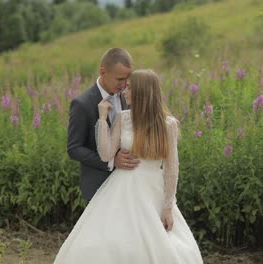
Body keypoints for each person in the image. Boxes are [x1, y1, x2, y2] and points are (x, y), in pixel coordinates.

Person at [54, 69, 203, 263]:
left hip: (152, 191)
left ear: (142, 92)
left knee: (164, 243)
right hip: (121, 187)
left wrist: (167, 207)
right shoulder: (123, 118)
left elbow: (171, 169)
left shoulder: (168, 125)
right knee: (111, 241)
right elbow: (106, 154)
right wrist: (101, 119)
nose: (124, 91)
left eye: (130, 87)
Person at [67, 48, 140, 201]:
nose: (124, 84)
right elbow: (74, 148)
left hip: (131, 183)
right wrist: (112, 162)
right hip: (98, 184)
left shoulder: (130, 96)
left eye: (127, 79)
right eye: (119, 79)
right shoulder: (82, 104)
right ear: (103, 71)